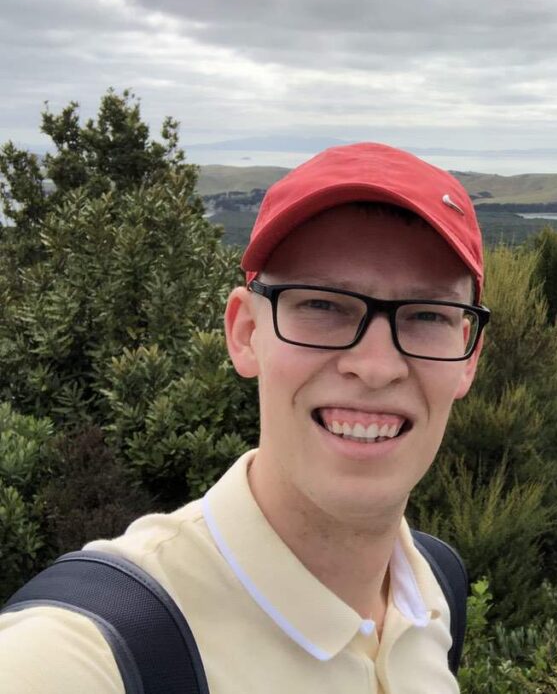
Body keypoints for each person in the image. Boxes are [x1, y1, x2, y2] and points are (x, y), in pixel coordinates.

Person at [0, 142, 488, 693]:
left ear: (468, 356)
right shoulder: (91, 652)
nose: (376, 366)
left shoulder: (433, 591)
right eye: (322, 305)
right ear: (246, 333)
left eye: (428, 315)